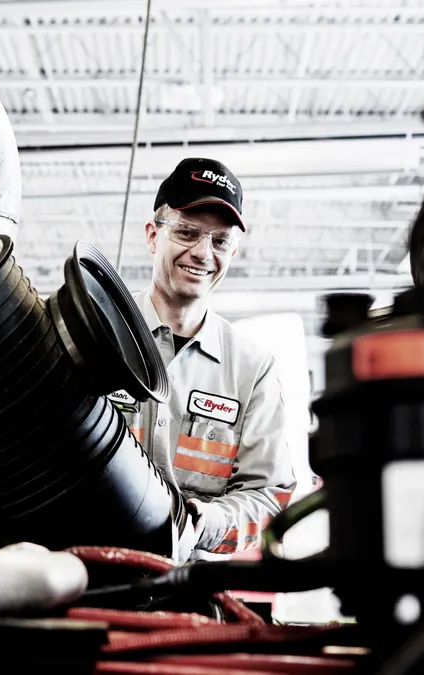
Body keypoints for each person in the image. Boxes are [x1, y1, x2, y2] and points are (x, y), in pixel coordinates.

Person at [110, 157, 297, 562]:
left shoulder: (252, 371)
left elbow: (270, 495)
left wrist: (206, 521)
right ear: (152, 236)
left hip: (192, 596)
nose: (202, 253)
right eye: (187, 232)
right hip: (87, 576)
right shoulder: (97, 334)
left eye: (220, 241)